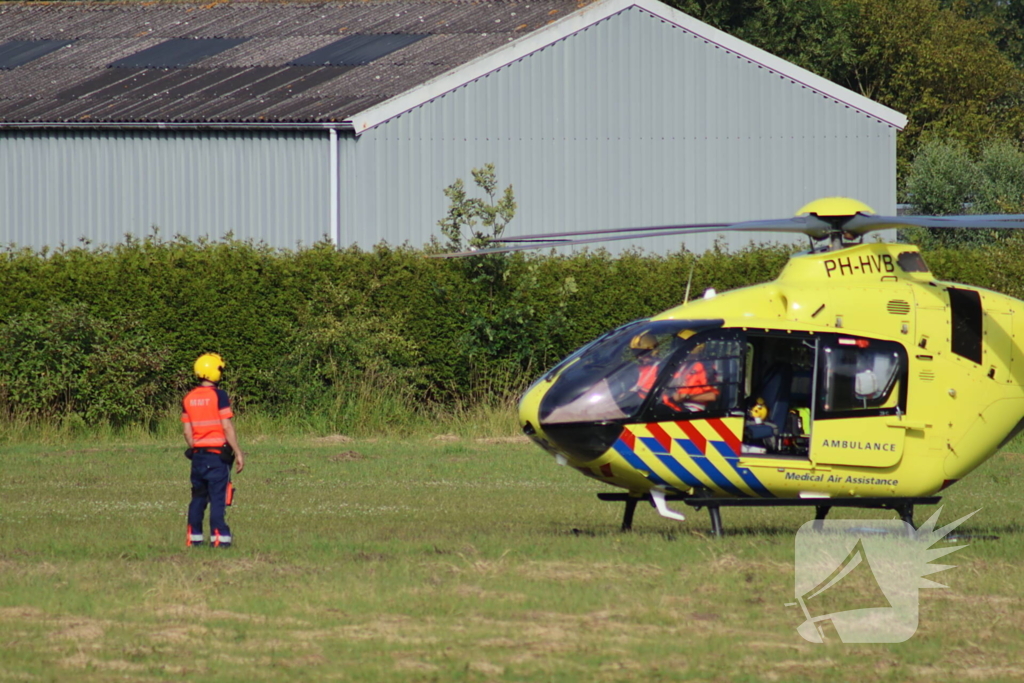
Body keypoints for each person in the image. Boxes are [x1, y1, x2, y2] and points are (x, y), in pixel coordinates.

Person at [182, 353, 245, 548]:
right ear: (214, 371)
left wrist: (197, 447)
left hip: (198, 456)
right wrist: (238, 451)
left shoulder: (189, 397)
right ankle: (220, 538)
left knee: (198, 498)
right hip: (217, 457)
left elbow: (187, 432)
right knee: (218, 498)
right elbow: (226, 426)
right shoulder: (219, 395)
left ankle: (194, 538)